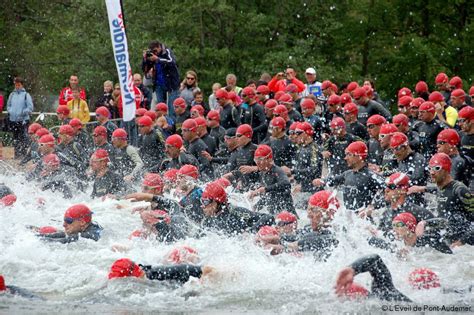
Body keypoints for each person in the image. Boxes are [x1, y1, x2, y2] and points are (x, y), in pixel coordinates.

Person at [409, 153, 473, 246]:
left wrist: (461, 242)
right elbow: (441, 191)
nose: (432, 172)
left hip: (463, 242)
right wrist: (421, 188)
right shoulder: (441, 187)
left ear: (446, 169)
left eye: (437, 168)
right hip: (448, 236)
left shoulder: (459, 190)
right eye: (430, 168)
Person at [313, 141, 384, 211]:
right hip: (349, 217)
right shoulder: (347, 174)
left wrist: (372, 207)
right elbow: (332, 181)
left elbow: (388, 192)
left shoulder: (371, 176)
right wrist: (322, 181)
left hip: (363, 220)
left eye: (349, 155)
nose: (345, 158)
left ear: (359, 156)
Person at [200, 181, 273, 235]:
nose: (202, 205)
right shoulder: (207, 221)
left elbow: (268, 217)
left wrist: (250, 232)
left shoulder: (235, 212)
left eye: (206, 202)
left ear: (217, 202)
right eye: (202, 201)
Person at [335, 254, 411, 301]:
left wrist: (352, 269)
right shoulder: (382, 294)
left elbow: (375, 260)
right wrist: (352, 269)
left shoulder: (386, 296)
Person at [247, 144, 295, 215]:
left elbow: (286, 183)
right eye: (256, 159)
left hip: (287, 214)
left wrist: (264, 189)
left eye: (260, 159)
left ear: (269, 159)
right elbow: (269, 196)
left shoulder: (277, 170)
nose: (257, 163)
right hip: (275, 213)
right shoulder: (263, 173)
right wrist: (256, 207)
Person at [142, 40, 180, 119]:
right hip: (159, 84)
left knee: (171, 108)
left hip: (171, 84)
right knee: (160, 108)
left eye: (155, 50)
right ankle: (163, 124)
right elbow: (144, 69)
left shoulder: (167, 51)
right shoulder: (153, 56)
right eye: (153, 51)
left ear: (159, 47)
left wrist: (158, 59)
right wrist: (145, 59)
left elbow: (172, 62)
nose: (154, 53)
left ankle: (172, 126)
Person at [108, 258, 213, 284]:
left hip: (201, 273)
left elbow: (207, 269)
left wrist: (201, 284)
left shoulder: (158, 274)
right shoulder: (144, 271)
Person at [36, 204, 102, 243]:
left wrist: (41, 240)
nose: (64, 225)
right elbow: (63, 234)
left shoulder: (90, 235)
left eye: (68, 221)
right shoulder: (82, 229)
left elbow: (64, 240)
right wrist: (37, 236)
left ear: (82, 222)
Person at [292, 122, 322, 195]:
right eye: (295, 133)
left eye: (298, 133)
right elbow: (300, 167)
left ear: (307, 133)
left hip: (312, 190)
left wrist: (293, 171)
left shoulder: (314, 148)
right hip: (302, 188)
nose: (295, 136)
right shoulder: (301, 148)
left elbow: (314, 170)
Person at [7, 77, 33, 158]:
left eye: (19, 85)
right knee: (15, 137)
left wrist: (23, 112)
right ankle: (17, 154)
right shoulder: (12, 94)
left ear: (22, 85)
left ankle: (24, 154)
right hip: (13, 120)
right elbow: (8, 105)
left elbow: (30, 107)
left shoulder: (26, 95)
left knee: (24, 137)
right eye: (16, 85)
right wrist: (10, 111)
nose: (17, 86)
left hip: (23, 120)